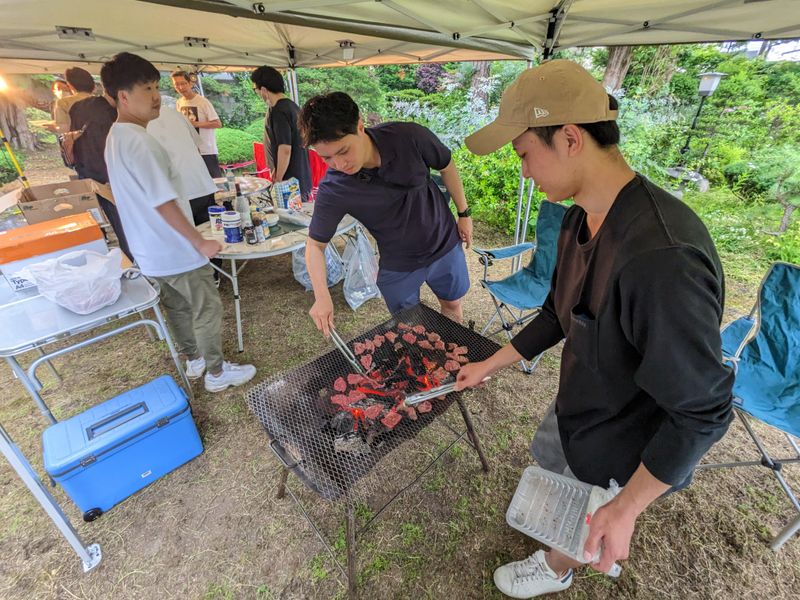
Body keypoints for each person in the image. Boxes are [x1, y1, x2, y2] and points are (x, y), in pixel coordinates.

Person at [455, 59, 734, 598]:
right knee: (555, 471)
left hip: (625, 437)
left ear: (569, 138)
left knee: (587, 514)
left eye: (524, 154)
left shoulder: (661, 258)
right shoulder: (578, 217)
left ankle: (557, 566)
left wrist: (627, 506)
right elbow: (558, 313)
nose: (524, 172)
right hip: (581, 403)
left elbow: (703, 411)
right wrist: (489, 364)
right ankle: (562, 535)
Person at [102, 52, 256, 393]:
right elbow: (162, 200)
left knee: (177, 308)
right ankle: (216, 373)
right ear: (123, 96)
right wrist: (198, 241)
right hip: (173, 248)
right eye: (147, 89)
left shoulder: (116, 136)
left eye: (156, 87)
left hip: (148, 250)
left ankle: (194, 359)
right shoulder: (140, 141)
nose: (156, 96)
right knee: (206, 305)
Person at [298, 92, 473, 334]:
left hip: (443, 242)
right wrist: (321, 296)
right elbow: (315, 246)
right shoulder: (335, 187)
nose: (339, 164)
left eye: (344, 151)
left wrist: (464, 214)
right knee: (409, 327)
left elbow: (446, 165)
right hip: (399, 262)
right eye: (327, 158)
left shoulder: (408, 136)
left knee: (452, 306)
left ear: (360, 126)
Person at [67, 90, 132, 261]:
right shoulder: (113, 114)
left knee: (119, 224)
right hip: (113, 178)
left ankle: (133, 260)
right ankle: (139, 261)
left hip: (91, 175)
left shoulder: (77, 107)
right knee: (128, 222)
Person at [250, 66, 311, 199]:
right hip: (301, 176)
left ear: (264, 90)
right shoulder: (292, 106)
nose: (258, 94)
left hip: (290, 181)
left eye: (256, 90)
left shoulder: (278, 111)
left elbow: (285, 149)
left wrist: (278, 178)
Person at [170, 70, 222, 178]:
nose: (180, 87)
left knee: (215, 182)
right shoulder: (179, 102)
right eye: (176, 84)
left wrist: (195, 124)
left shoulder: (203, 102)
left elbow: (217, 123)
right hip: (189, 151)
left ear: (190, 83)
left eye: (183, 83)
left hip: (206, 151)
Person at [50, 67, 95, 134]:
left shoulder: (63, 102)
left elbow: (63, 128)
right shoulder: (101, 102)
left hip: (77, 139)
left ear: (70, 85)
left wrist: (52, 127)